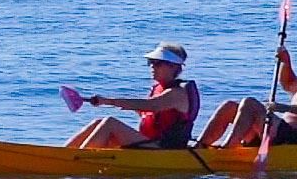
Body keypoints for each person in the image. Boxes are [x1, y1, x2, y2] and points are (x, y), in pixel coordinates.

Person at [203, 32, 297, 148]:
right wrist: (285, 61)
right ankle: (199, 147)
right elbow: (288, 84)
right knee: (229, 106)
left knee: (250, 104)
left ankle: (226, 149)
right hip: (280, 132)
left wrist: (283, 108)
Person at [67, 44, 202, 149]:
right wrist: (124, 104)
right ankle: (65, 153)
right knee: (98, 122)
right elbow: (147, 112)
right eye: (151, 62)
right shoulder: (157, 89)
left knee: (110, 123)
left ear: (173, 67)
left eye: (157, 63)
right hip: (150, 144)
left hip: (164, 149)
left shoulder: (177, 93)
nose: (152, 67)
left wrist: (107, 101)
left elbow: (151, 105)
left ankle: (74, 161)